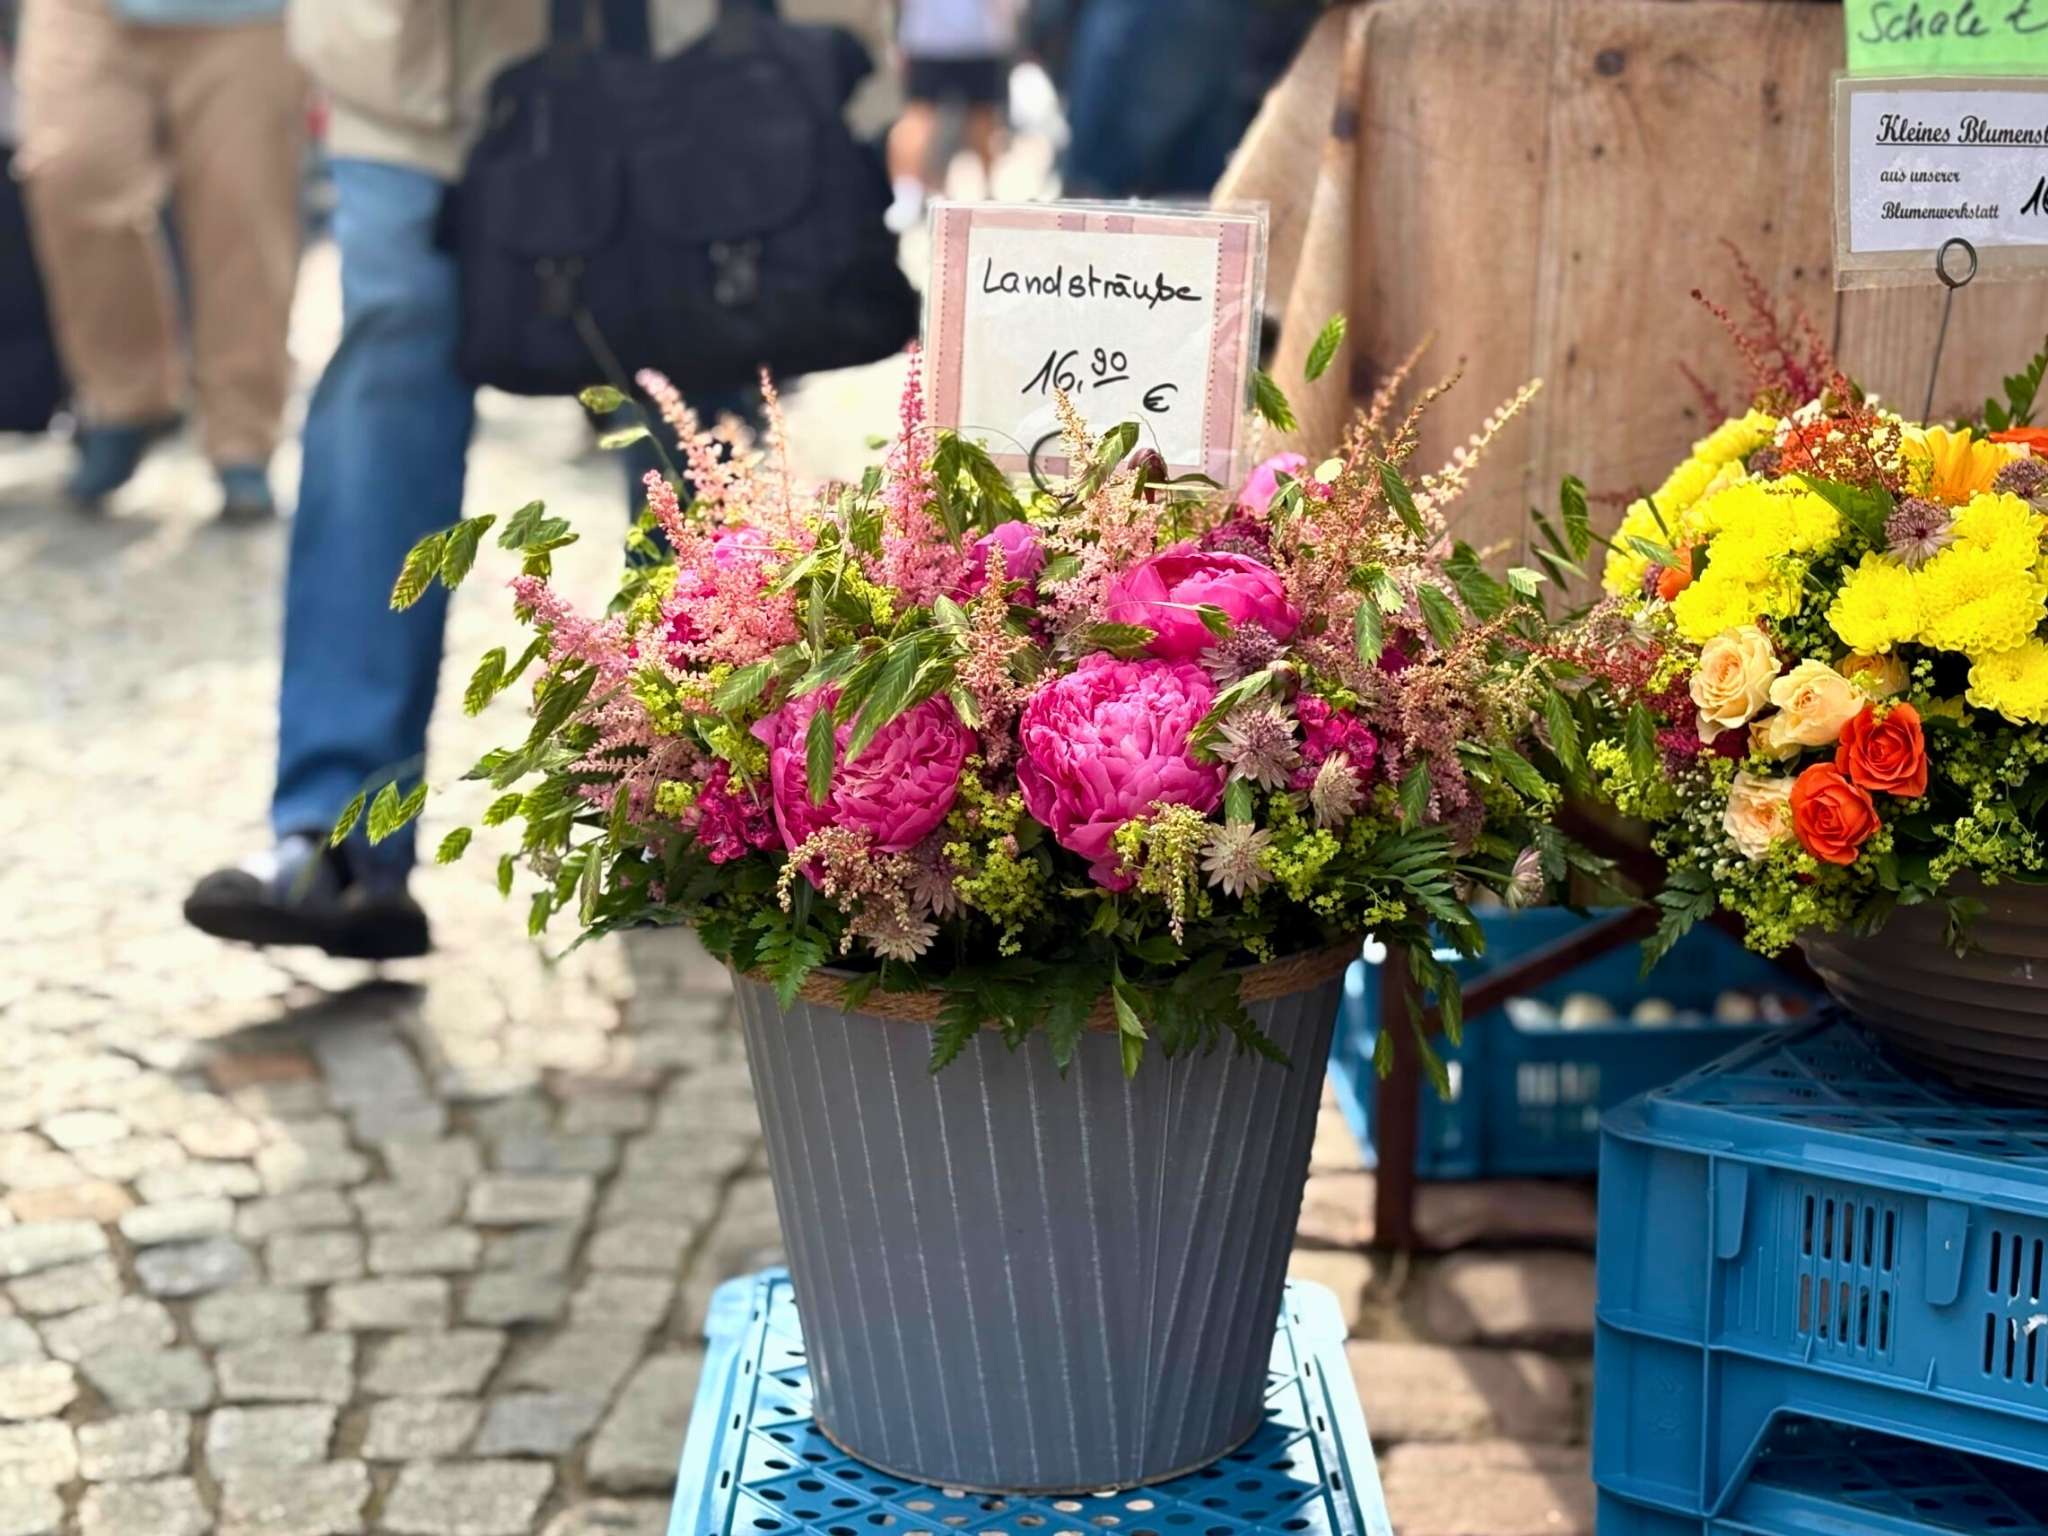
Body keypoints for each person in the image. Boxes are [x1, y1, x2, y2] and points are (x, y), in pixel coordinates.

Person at [184, 0, 881, 962]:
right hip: (415, 78)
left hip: (684, 62)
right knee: (393, 361)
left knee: (687, 401)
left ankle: (697, 820)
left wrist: (850, 55)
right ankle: (338, 832)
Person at [13, 0, 303, 517]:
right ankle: (126, 398)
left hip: (248, 17)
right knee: (74, 170)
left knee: (244, 213)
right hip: (83, 12)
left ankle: (243, 439)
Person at [884, 0, 1016, 232]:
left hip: (953, 38)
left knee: (974, 119)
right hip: (957, 38)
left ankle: (910, 196)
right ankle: (908, 196)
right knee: (926, 118)